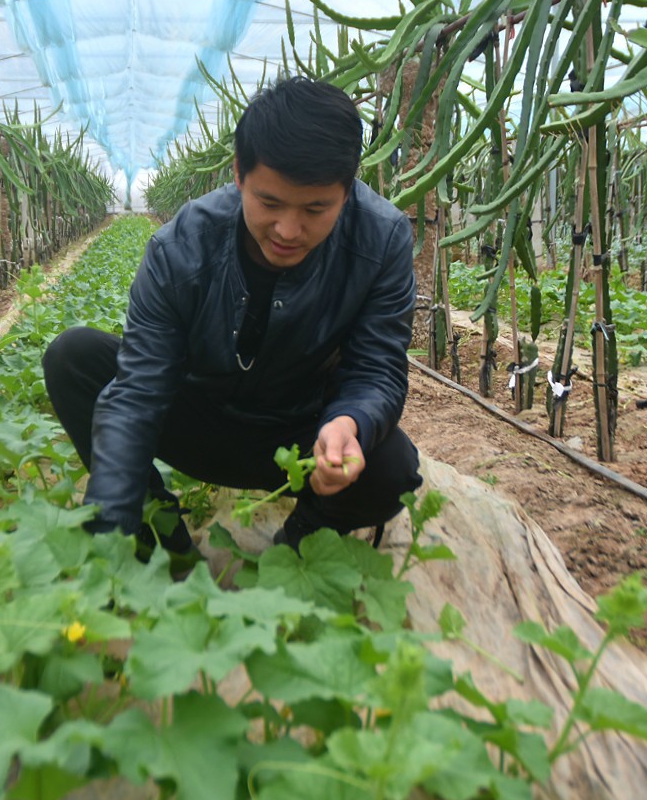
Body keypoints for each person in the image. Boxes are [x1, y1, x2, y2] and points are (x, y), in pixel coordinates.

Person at [42, 77, 422, 562]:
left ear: (348, 191)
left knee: (392, 464)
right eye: (269, 203)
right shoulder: (182, 246)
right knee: (73, 358)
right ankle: (162, 547)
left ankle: (294, 551)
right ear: (239, 173)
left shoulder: (382, 239)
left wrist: (350, 422)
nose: (288, 229)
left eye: (315, 209)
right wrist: (109, 524)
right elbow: (139, 391)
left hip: (301, 434)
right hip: (199, 418)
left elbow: (377, 369)